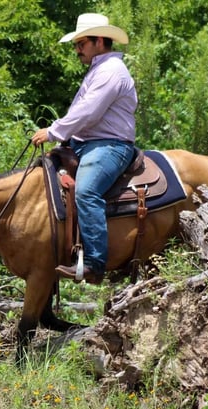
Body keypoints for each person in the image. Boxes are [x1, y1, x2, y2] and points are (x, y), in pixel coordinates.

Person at [32, 13, 137, 284]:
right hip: (85, 144)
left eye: (82, 44)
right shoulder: (99, 70)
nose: (77, 49)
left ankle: (94, 263)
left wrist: (53, 132)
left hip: (110, 145)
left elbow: (88, 112)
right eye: (77, 44)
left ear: (99, 41)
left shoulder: (111, 71)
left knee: (87, 192)